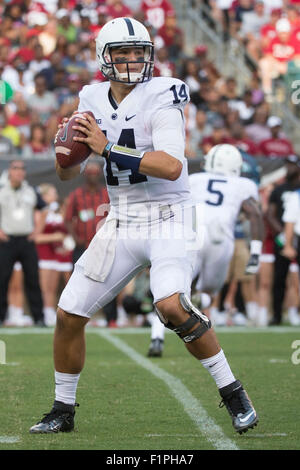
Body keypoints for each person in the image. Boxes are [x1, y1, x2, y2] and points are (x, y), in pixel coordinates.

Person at [29, 17, 258, 435]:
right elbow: (67, 174)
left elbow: (171, 166)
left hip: (170, 215)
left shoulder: (163, 95)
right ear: (105, 58)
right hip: (120, 219)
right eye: (123, 53)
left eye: (140, 52)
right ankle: (63, 410)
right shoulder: (91, 97)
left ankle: (233, 393)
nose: (134, 60)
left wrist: (107, 147)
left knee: (171, 306)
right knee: (67, 315)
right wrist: (66, 153)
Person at [0, 160, 45, 326]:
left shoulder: (31, 190)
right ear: (9, 171)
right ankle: (1, 317)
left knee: (33, 279)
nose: (19, 172)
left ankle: (38, 318)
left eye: (22, 169)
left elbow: (45, 208)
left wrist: (38, 230)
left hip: (27, 240)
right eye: (16, 168)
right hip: (7, 241)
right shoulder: (2, 190)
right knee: (2, 279)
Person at [266, 154, 300, 325]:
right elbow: (270, 214)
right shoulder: (279, 189)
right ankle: (277, 314)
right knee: (279, 277)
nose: (289, 168)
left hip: (297, 234)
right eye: (288, 165)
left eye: (293, 165)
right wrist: (283, 235)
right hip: (283, 237)